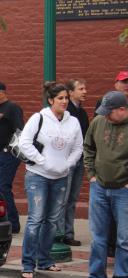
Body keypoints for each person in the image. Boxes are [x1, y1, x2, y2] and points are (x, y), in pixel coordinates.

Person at [18, 82, 83, 278]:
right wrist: (43, 162)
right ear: (51, 100)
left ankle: (44, 260)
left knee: (53, 220)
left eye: (66, 98)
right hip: (38, 176)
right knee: (36, 219)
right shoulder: (39, 118)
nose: (64, 101)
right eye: (60, 98)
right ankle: (28, 264)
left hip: (61, 177)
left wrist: (67, 165)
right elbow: (24, 143)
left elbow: (78, 148)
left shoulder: (73, 122)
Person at [80, 91, 128, 278]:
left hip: (123, 190)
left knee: (124, 239)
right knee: (98, 238)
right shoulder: (98, 121)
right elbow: (88, 147)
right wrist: (91, 173)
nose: (106, 116)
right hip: (99, 187)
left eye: (109, 112)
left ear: (122, 110)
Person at [93, 71, 128, 257]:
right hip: (101, 182)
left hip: (123, 185)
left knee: (124, 235)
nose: (126, 85)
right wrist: (92, 173)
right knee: (100, 235)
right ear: (116, 83)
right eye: (123, 82)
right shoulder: (105, 106)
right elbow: (90, 143)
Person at [0, 80, 24, 234]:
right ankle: (7, 219)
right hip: (0, 154)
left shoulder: (12, 108)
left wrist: (12, 150)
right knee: (2, 188)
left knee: (2, 187)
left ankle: (13, 223)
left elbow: (20, 131)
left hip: (9, 155)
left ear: (2, 92)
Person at [58, 79, 89, 246]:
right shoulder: (65, 112)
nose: (84, 91)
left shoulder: (82, 113)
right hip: (67, 161)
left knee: (72, 198)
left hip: (79, 160)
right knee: (63, 198)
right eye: (81, 89)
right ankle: (60, 233)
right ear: (70, 92)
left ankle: (68, 233)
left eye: (85, 89)